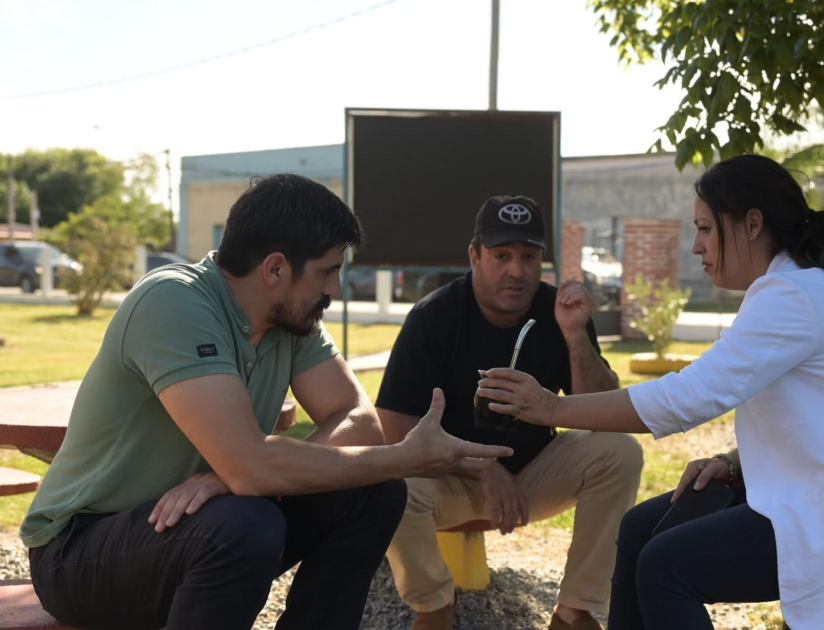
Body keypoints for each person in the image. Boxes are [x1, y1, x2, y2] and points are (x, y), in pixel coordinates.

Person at [20, 174, 512, 630]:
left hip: (191, 528)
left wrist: (231, 476)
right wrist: (401, 458)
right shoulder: (173, 302)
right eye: (327, 272)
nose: (335, 291)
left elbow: (358, 420)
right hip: (79, 551)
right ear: (275, 267)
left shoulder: (291, 321)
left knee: (372, 491)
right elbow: (253, 471)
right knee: (244, 523)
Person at [478, 155, 824, 630]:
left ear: (752, 224)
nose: (697, 245)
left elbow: (689, 397)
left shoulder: (792, 297)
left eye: (704, 229)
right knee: (638, 530)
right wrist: (737, 461)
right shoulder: (812, 288)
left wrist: (550, 406)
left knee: (665, 567)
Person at [376, 194, 644, 630]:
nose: (516, 271)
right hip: (452, 480)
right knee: (390, 486)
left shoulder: (561, 312)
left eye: (528, 256)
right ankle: (434, 606)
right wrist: (481, 468)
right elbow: (393, 431)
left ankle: (575, 610)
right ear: (474, 256)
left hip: (536, 473)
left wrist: (575, 337)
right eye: (501, 256)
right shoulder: (434, 317)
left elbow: (602, 412)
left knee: (621, 451)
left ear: (542, 261)